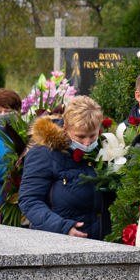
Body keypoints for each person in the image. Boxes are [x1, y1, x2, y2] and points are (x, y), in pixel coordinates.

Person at [18, 96, 109, 239]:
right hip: (59, 239)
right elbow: (29, 200)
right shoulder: (44, 153)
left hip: (103, 241)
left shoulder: (105, 148)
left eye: (92, 136)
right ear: (66, 129)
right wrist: (62, 227)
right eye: (80, 136)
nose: (87, 143)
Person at [0, 88, 22, 215]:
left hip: (20, 206)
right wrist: (13, 168)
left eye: (7, 111)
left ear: (18, 112)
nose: (2, 116)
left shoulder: (24, 133)